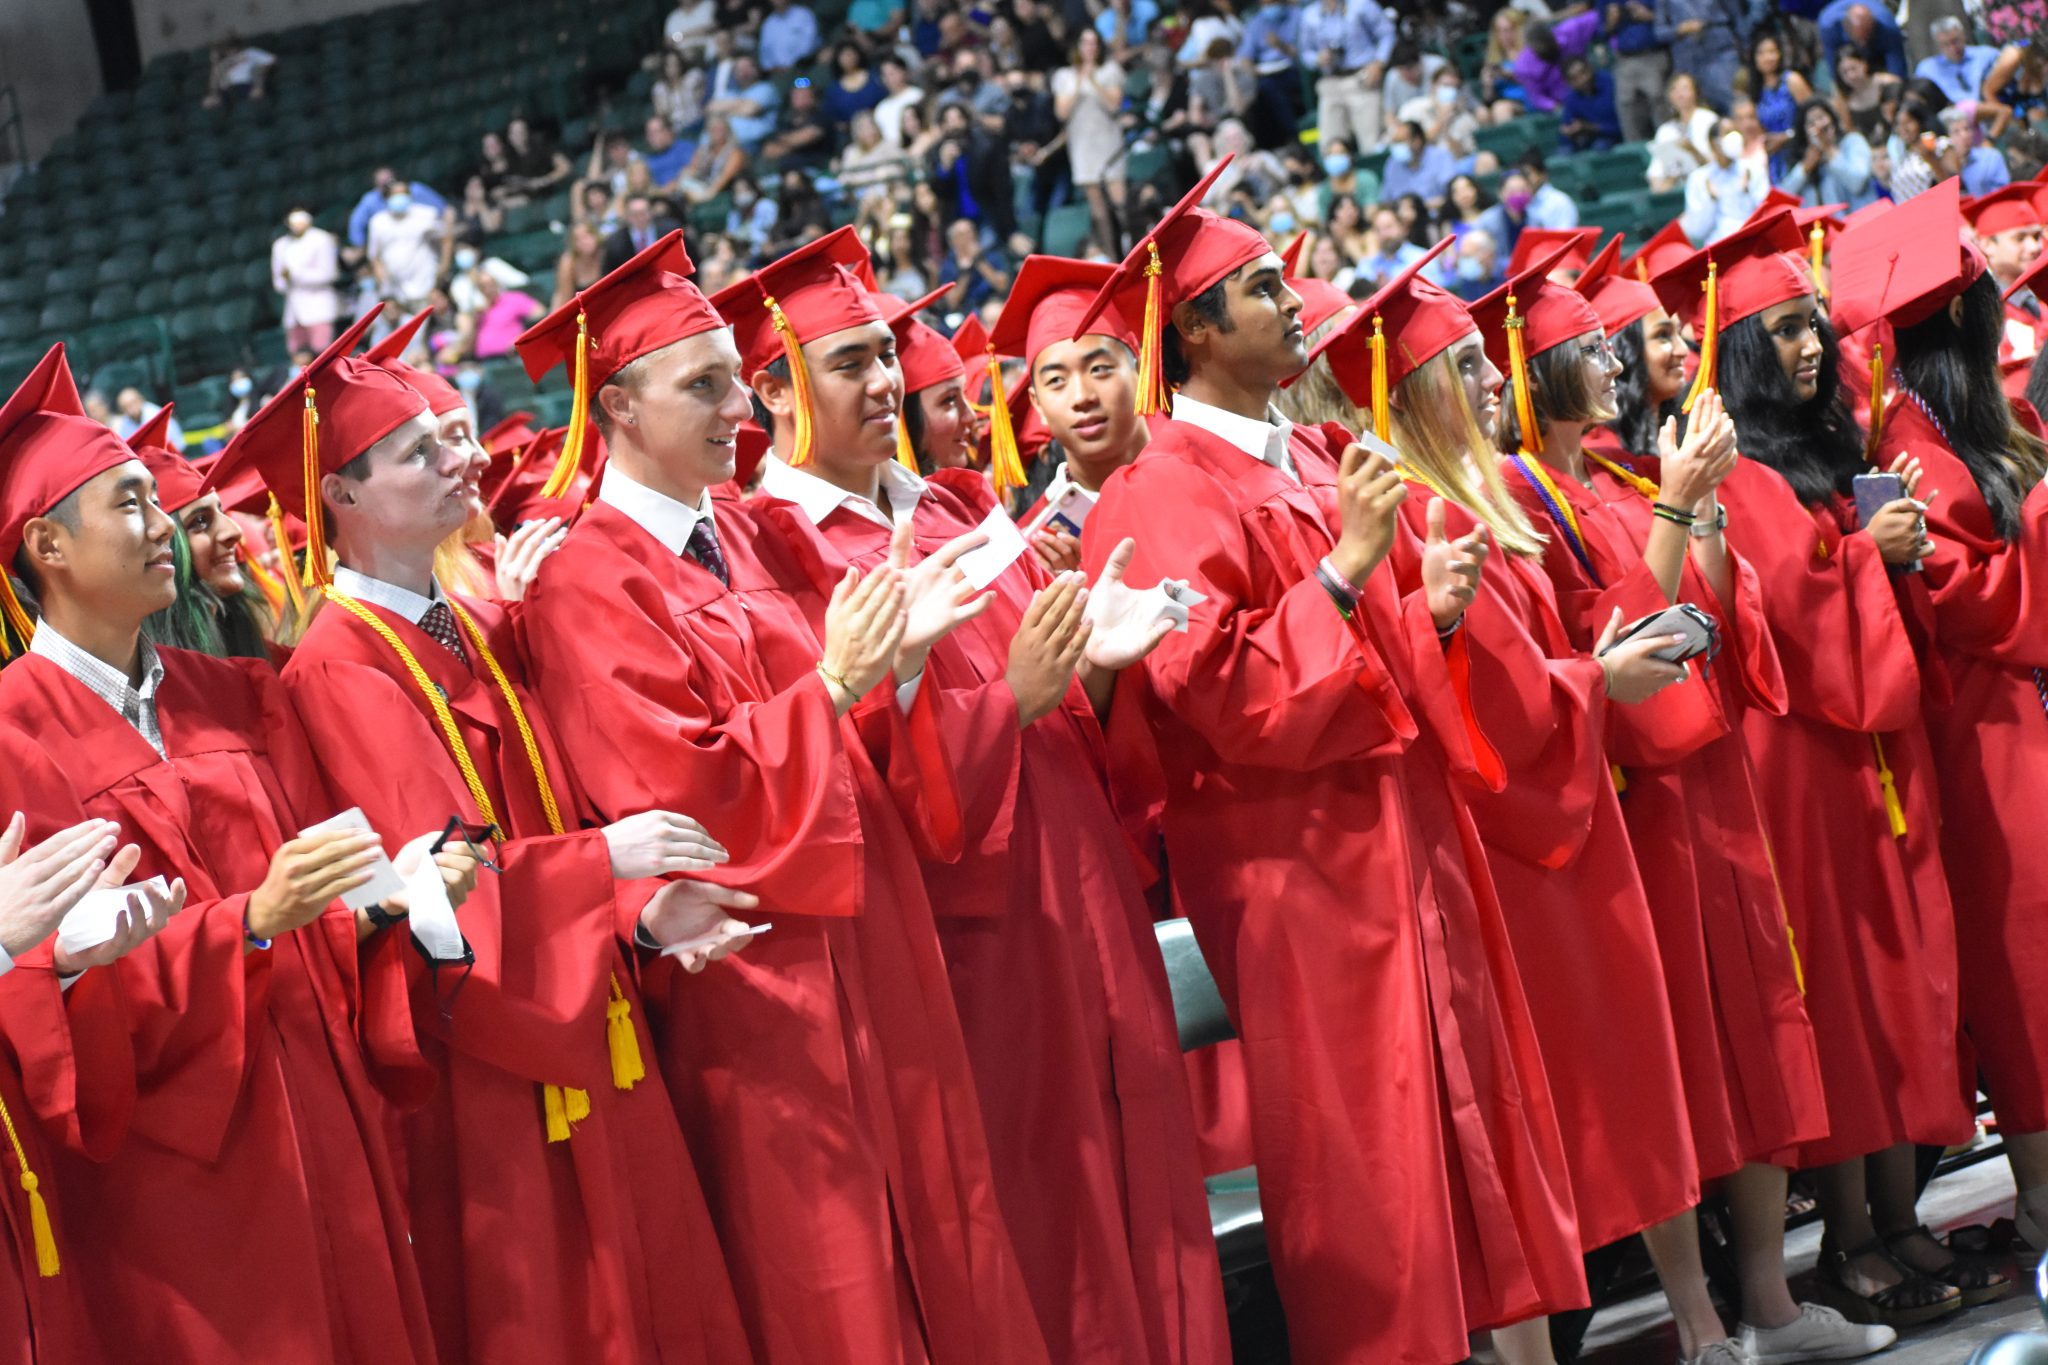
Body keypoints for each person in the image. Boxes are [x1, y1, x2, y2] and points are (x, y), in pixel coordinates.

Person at [1075, 157, 1585, 1365]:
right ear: (1195, 331)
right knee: (1363, 1167)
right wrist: (1348, 573)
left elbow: (1382, 653)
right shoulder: (1150, 497)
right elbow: (1227, 699)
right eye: (1260, 289)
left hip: (1400, 842)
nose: (1297, 301)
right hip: (1294, 878)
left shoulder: (1304, 459)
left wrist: (1434, 612)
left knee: (1463, 1143)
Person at [516, 230, 1051, 1365]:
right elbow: (683, 793)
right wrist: (844, 681)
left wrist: (904, 669)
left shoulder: (754, 530)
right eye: (703, 386)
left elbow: (857, 721)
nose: (737, 411)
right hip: (764, 981)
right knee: (833, 1279)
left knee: (949, 1239)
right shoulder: (585, 581)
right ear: (615, 407)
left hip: (876, 933)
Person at [200, 306, 758, 1365]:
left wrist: (639, 912)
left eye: (457, 432)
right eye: (421, 450)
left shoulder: (482, 618)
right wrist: (613, 866)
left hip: (593, 1000)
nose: (461, 459)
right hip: (496, 1057)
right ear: (339, 493)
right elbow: (446, 874)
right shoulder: (338, 666)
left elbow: (560, 808)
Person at [747, 252, 1230, 1365]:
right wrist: (1009, 698)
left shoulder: (955, 504)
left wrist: (1096, 668)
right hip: (980, 936)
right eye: (852, 362)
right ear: (773, 391)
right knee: (1048, 1216)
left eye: (885, 360)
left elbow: (1052, 701)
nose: (885, 383)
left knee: (1149, 1186)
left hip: (1086, 895)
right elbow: (857, 779)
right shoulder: (776, 550)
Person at [0, 342, 479, 1364]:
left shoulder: (234, 693)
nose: (163, 525)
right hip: (178, 1174)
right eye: (129, 504)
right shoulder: (9, 740)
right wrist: (250, 926)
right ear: (47, 543)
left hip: (323, 1103)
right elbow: (44, 994)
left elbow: (332, 891)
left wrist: (388, 905)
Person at [1316, 236, 1709, 1365]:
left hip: (1572, 821)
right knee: (1569, 1110)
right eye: (1470, 369)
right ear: (1424, 394)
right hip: (1520, 849)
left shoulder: (1488, 495)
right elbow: (1493, 702)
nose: (1496, 381)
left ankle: (1696, 1325)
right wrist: (1600, 678)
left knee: (1628, 1084)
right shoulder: (1424, 519)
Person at [1699, 200, 2005, 1329]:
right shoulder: (1739, 473)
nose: (1807, 345)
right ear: (1737, 352)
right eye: (1779, 330)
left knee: (1895, 985)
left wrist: (1890, 557)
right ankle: (1849, 1236)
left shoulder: (1832, 450)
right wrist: (1861, 560)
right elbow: (1785, 610)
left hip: (1873, 751)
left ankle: (1894, 1214)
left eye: (1811, 325)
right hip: (1805, 764)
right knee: (1839, 993)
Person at [1833, 181, 2048, 1265]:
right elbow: (1972, 606)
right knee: (2020, 967)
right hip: (1976, 741)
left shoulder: (1969, 422)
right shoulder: (1897, 451)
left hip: (2020, 724)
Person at [992, 257, 1151, 574]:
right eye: (1056, 382)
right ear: (1036, 404)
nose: (1081, 397)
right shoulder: (1029, 548)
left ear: (1141, 367)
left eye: (1099, 370)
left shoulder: (1209, 477)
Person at [1054, 30, 1130, 259]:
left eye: (1094, 43)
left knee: (1121, 204)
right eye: (1085, 43)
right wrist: (1079, 81)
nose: (1090, 47)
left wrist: (1094, 81)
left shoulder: (1110, 70)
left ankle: (1134, 248)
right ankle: (1112, 258)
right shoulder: (1064, 76)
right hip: (1082, 145)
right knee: (1098, 211)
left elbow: (1114, 104)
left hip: (1107, 140)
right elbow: (1061, 112)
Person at [1964, 183, 2048, 364]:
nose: (2034, 247)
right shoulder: (1980, 314)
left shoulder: (2042, 293)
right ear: (1987, 245)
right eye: (2019, 238)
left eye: (2036, 236)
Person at [1297, 0, 1396, 153]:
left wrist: (1379, 63)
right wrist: (1317, 59)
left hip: (1361, 78)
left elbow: (1387, 33)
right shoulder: (1309, 14)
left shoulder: (1362, 5)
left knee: (1371, 143)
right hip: (1330, 82)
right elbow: (1305, 53)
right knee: (1330, 145)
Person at [1775, 99, 1877, 210]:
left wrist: (1828, 149)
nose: (1818, 126)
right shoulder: (1805, 163)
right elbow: (1782, 199)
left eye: (1821, 118)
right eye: (1811, 123)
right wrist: (1805, 167)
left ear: (1832, 120)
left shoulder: (1853, 141)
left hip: (1864, 219)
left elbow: (1857, 182)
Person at [1683, 115, 1771, 242]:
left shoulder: (1753, 169)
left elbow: (1765, 214)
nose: (1734, 138)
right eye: (1727, 133)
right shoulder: (1699, 178)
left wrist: (1746, 191)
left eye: (1736, 132)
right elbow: (1697, 230)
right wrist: (1711, 200)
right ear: (1713, 143)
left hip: (1750, 241)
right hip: (1717, 246)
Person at [367, 181, 446, 313]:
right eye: (395, 194)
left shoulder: (425, 214)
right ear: (387, 198)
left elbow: (446, 237)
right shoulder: (377, 222)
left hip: (427, 288)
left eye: (403, 193)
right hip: (398, 293)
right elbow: (375, 257)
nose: (399, 197)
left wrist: (442, 269)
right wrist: (385, 286)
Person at [271, 208, 342, 354]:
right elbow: (279, 283)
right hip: (293, 310)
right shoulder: (280, 245)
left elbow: (329, 274)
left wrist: (295, 274)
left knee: (322, 353)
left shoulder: (322, 239)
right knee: (297, 354)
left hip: (318, 307)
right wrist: (286, 279)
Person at [1654, 0, 1743, 113]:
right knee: (1694, 111)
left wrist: (1745, 45)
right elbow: (1659, 33)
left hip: (1720, 52)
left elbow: (1737, 17)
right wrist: (1680, 29)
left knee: (1733, 103)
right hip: (1688, 61)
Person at [1607, 0, 1673, 143]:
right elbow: (1601, 31)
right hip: (1624, 60)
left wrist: (1650, 16)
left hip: (1653, 54)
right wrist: (1611, 21)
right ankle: (1637, 152)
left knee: (1660, 107)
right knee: (1628, 111)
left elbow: (1674, 22)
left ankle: (1670, 148)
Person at [1742, 33, 1812, 153]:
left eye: (1772, 51)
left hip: (1800, 147)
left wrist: (1787, 136)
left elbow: (1813, 114)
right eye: (1761, 53)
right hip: (1774, 155)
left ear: (1780, 54)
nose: (1767, 57)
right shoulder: (1756, 91)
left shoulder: (1792, 80)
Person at [1913, 16, 2000, 106]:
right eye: (1945, 44)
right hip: (1951, 114)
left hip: (1988, 106)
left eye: (1955, 41)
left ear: (1963, 35)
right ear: (1937, 45)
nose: (1953, 48)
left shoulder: (1986, 54)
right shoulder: (1927, 69)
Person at [1819, 0, 1907, 78]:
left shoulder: (1887, 26)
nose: (1863, 43)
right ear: (1846, 28)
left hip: (1878, 55)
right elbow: (1834, 69)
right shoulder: (1829, 26)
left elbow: (1897, 69)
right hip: (1846, 54)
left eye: (1866, 35)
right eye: (1860, 38)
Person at [1559, 54, 1624, 152]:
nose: (1583, 79)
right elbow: (1567, 125)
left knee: (1600, 147)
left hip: (1614, 136)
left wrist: (1591, 127)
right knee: (1563, 152)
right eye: (1575, 78)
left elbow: (1620, 124)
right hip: (1590, 139)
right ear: (1569, 83)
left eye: (1584, 73)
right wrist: (1568, 132)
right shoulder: (1572, 98)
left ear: (1591, 68)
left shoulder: (1609, 82)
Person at [202, 35, 273, 108]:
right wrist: (216, 61)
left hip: (247, 85)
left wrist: (260, 79)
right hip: (228, 90)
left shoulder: (250, 52)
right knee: (207, 102)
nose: (230, 51)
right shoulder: (225, 62)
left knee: (254, 91)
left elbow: (271, 61)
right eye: (227, 49)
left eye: (231, 47)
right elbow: (216, 77)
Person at [109, 388, 183, 450]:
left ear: (141, 400)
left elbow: (171, 443)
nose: (131, 408)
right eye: (126, 406)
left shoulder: (155, 413)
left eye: (133, 403)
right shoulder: (124, 425)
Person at [759, 0, 822, 71]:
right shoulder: (768, 23)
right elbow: (764, 54)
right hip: (776, 73)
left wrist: (793, 64)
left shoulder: (804, 15)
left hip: (803, 68)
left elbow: (810, 43)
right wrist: (773, 68)